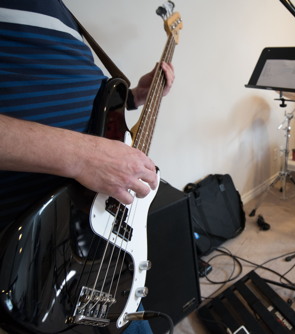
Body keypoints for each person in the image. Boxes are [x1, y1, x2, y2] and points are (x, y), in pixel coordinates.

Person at [0, 1, 174, 333]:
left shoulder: (61, 12)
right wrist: (83, 156)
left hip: (94, 234)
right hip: (28, 246)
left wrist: (136, 95)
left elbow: (92, 106)